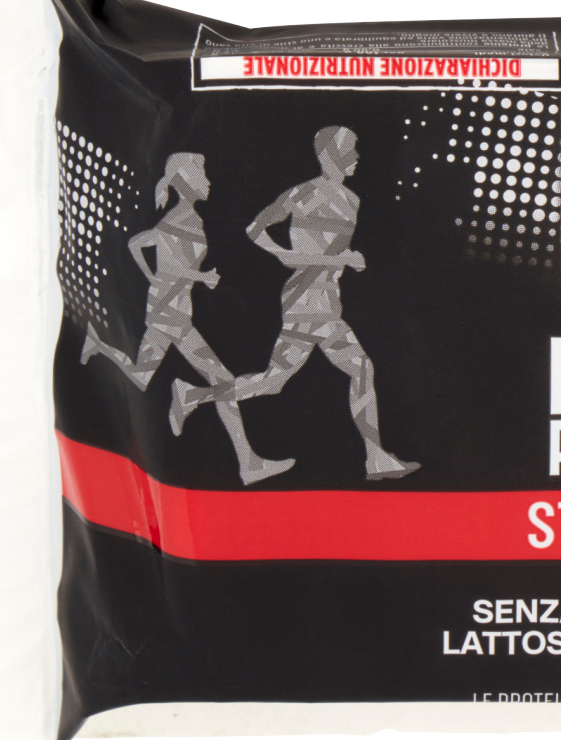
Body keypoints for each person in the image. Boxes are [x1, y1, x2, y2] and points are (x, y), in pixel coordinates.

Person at [171, 127, 418, 481]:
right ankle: (375, 458)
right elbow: (256, 228)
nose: (356, 157)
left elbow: (326, 254)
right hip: (305, 303)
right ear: (329, 155)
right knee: (355, 369)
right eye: (349, 150)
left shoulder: (352, 201)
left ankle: (193, 396)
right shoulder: (302, 195)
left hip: (325, 302)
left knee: (279, 381)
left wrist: (336, 261)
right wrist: (289, 254)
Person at [82, 152, 294, 485]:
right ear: (185, 180)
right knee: (216, 379)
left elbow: (140, 244)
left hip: (172, 313)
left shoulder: (184, 217)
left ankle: (99, 344)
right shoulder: (183, 219)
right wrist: (199, 277)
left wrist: (157, 276)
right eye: (202, 175)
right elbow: (164, 262)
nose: (207, 181)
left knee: (147, 376)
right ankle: (247, 460)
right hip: (170, 315)